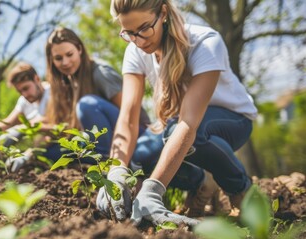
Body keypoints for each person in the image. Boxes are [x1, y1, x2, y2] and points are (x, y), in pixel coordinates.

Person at [96, 0, 258, 227]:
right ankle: (203, 184)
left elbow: (188, 123)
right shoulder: (135, 51)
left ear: (162, 13)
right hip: (179, 125)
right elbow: (128, 119)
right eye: (129, 33)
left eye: (144, 29)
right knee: (140, 155)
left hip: (233, 120)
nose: (138, 40)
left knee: (178, 133)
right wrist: (116, 171)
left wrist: (152, 190)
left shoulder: (205, 42)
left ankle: (242, 191)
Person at [43, 26, 151, 161]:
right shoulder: (69, 83)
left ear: (80, 50)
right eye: (58, 58)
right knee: (50, 153)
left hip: (138, 137)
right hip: (103, 142)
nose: (65, 62)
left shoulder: (100, 73)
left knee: (87, 104)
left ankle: (105, 162)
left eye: (69, 54)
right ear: (52, 61)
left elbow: (131, 117)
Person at [0, 62, 50, 149]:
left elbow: (51, 121)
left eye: (26, 88)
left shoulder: (52, 93)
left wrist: (22, 128)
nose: (24, 94)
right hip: (39, 149)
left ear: (37, 79)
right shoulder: (24, 101)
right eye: (20, 91)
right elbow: (8, 122)